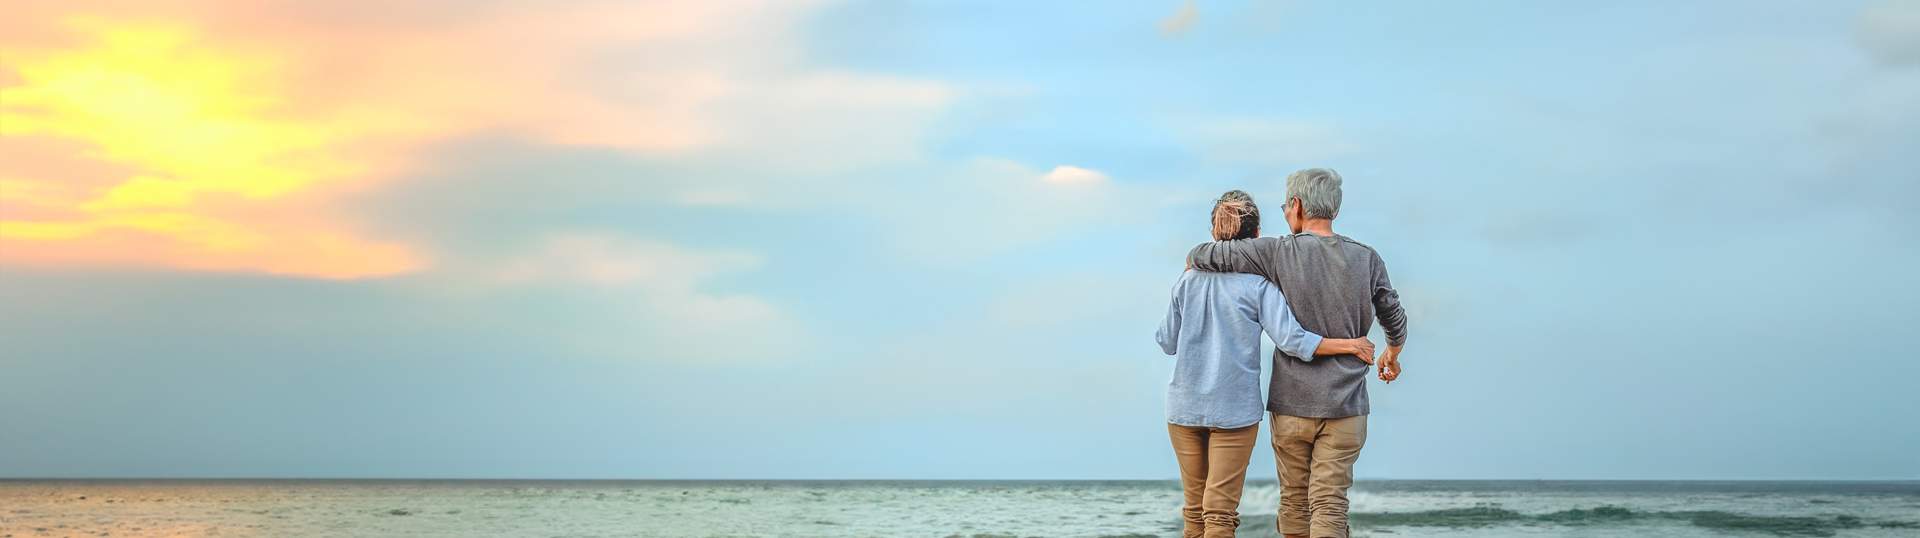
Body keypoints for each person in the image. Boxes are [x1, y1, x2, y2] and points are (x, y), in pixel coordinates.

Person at [1185, 169, 1409, 538]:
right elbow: (1393, 316)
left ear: (1297, 206)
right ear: (1333, 209)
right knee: (1330, 504)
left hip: (1291, 405)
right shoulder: (1367, 258)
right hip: (1346, 407)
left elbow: (1201, 255)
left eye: (1287, 205)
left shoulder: (1275, 251)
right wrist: (1392, 354)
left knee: (1294, 501)